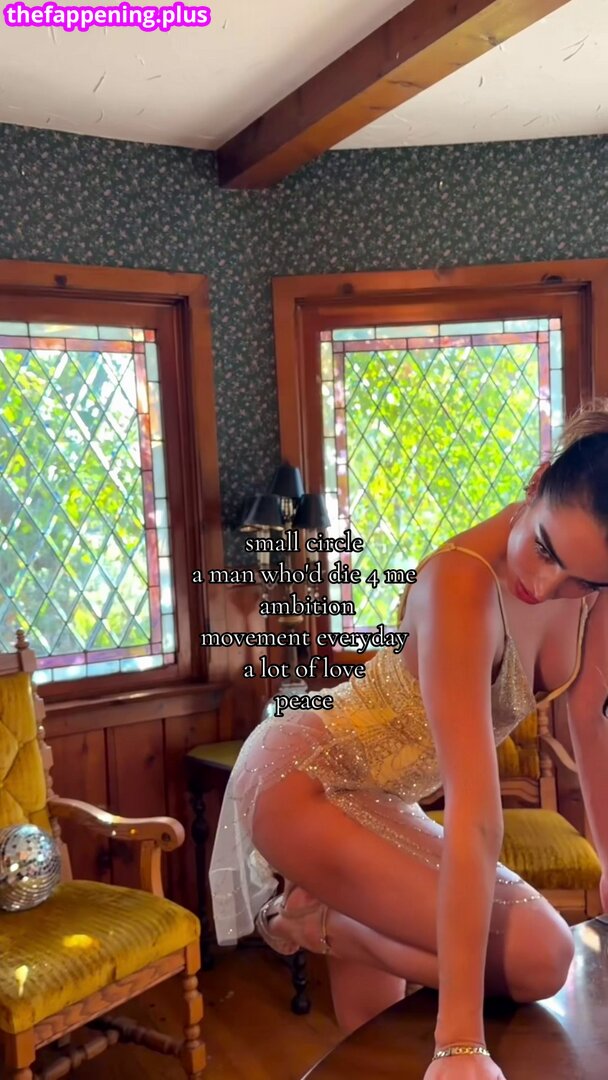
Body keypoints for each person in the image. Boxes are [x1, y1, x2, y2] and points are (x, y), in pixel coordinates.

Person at [209, 402, 608, 1079]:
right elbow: (476, 819)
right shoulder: (460, 584)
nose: (548, 587)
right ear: (539, 480)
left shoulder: (595, 576)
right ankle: (309, 918)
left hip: (385, 798)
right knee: (544, 956)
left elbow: (593, 723)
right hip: (305, 777)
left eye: (583, 580)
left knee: (379, 1046)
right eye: (545, 550)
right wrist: (462, 1043)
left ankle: (323, 918)